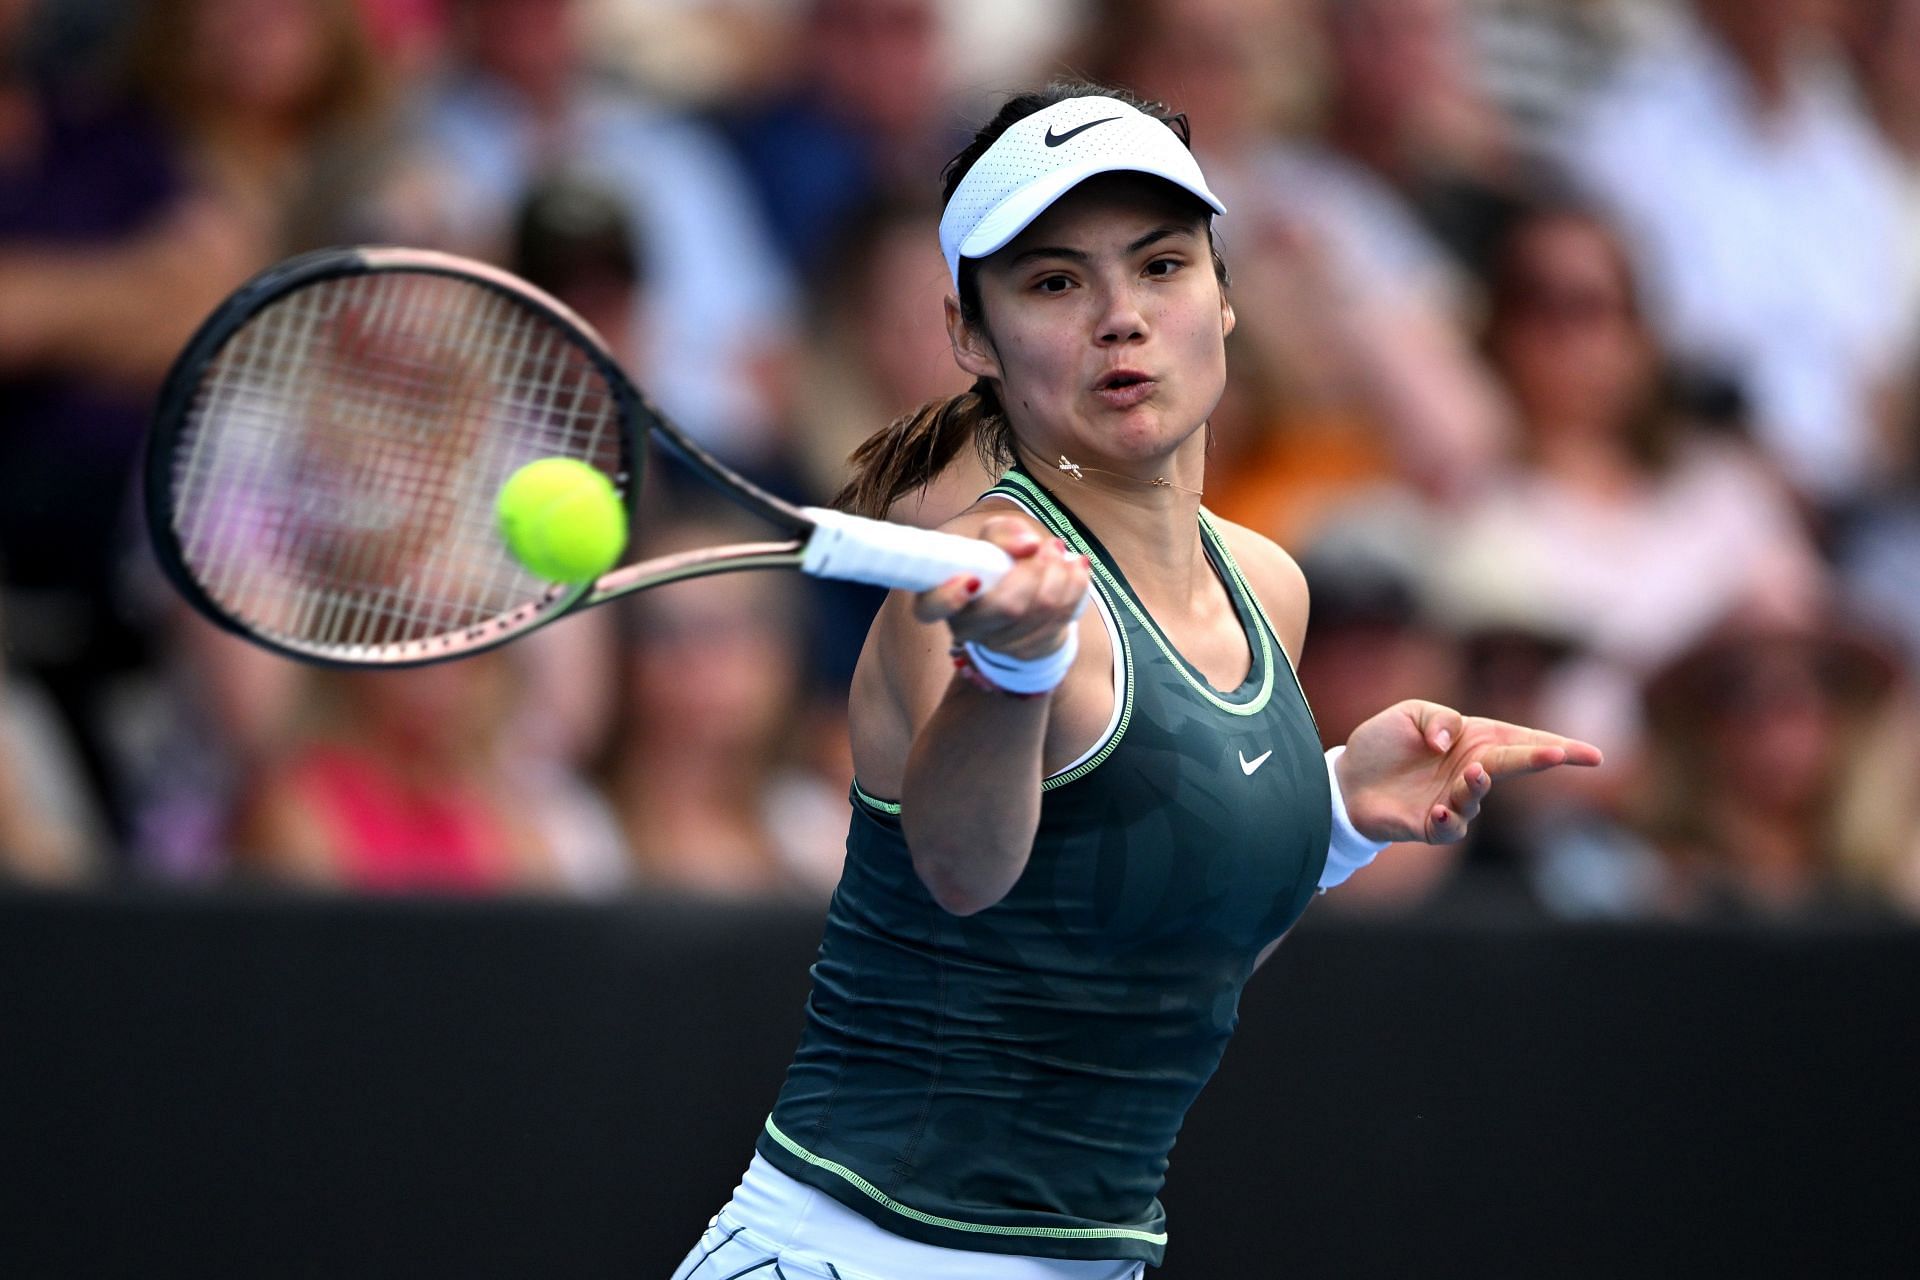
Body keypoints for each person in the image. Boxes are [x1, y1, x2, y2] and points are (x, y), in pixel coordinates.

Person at [671, 83, 1601, 1279]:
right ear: (971, 332)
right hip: (864, 1249)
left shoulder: (1269, 584)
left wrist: (1332, 815)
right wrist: (1009, 668)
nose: (1123, 317)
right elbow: (961, 869)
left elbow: (1169, 954)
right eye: (1056, 282)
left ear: (1224, 293)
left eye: (1161, 266)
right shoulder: (953, 597)